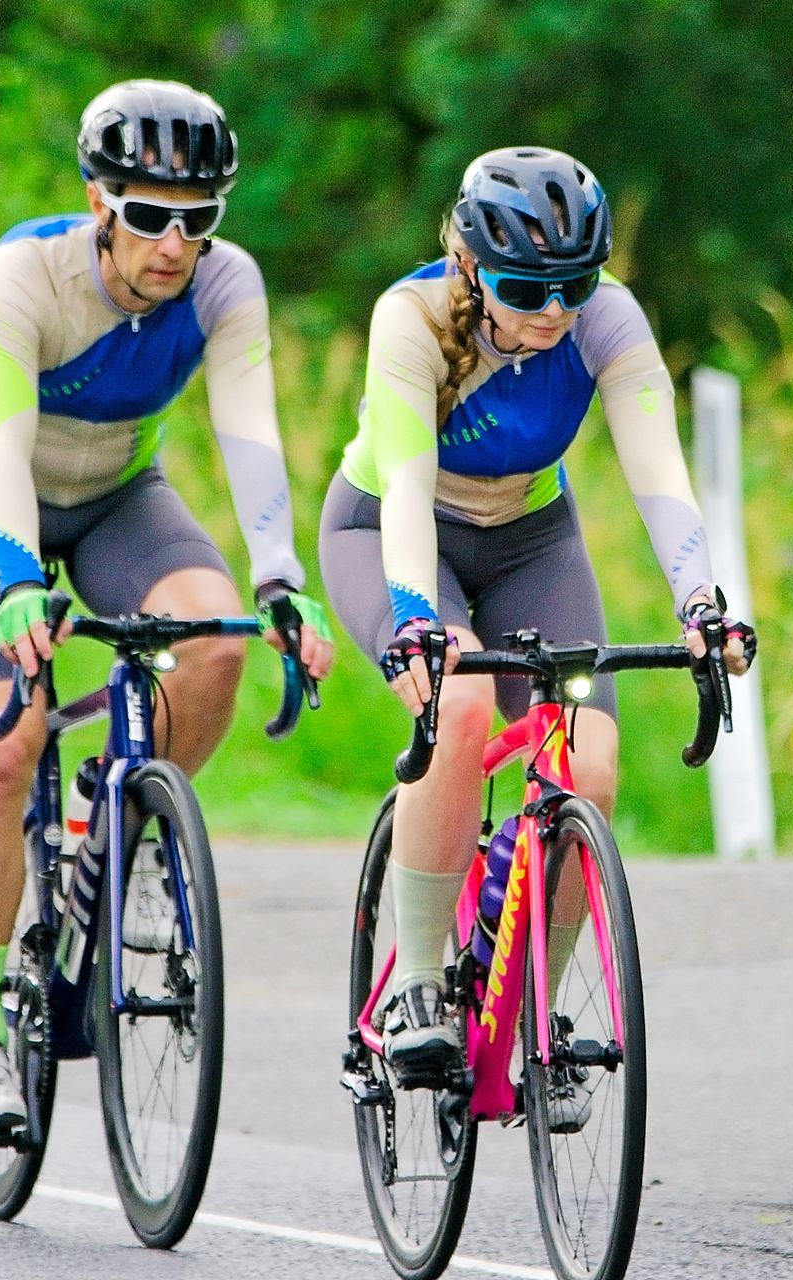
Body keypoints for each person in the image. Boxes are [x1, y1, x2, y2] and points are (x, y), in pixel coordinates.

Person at [0, 79, 335, 1132]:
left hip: (117, 497)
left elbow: (250, 434)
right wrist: (19, 583)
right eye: (149, 215)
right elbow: (2, 448)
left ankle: (121, 827)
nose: (174, 243)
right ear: (98, 202)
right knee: (0, 746)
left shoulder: (226, 284)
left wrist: (281, 580)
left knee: (214, 643)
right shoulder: (24, 275)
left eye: (199, 219)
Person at [318, 146, 755, 1103]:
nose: (555, 311)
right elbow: (404, 487)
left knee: (588, 766)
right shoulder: (411, 319)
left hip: (529, 541)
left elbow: (658, 471)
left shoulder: (609, 320)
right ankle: (419, 984)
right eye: (526, 289)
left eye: (576, 286)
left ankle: (535, 1018)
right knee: (462, 710)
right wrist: (417, 621)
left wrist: (700, 601)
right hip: (392, 531)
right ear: (471, 266)